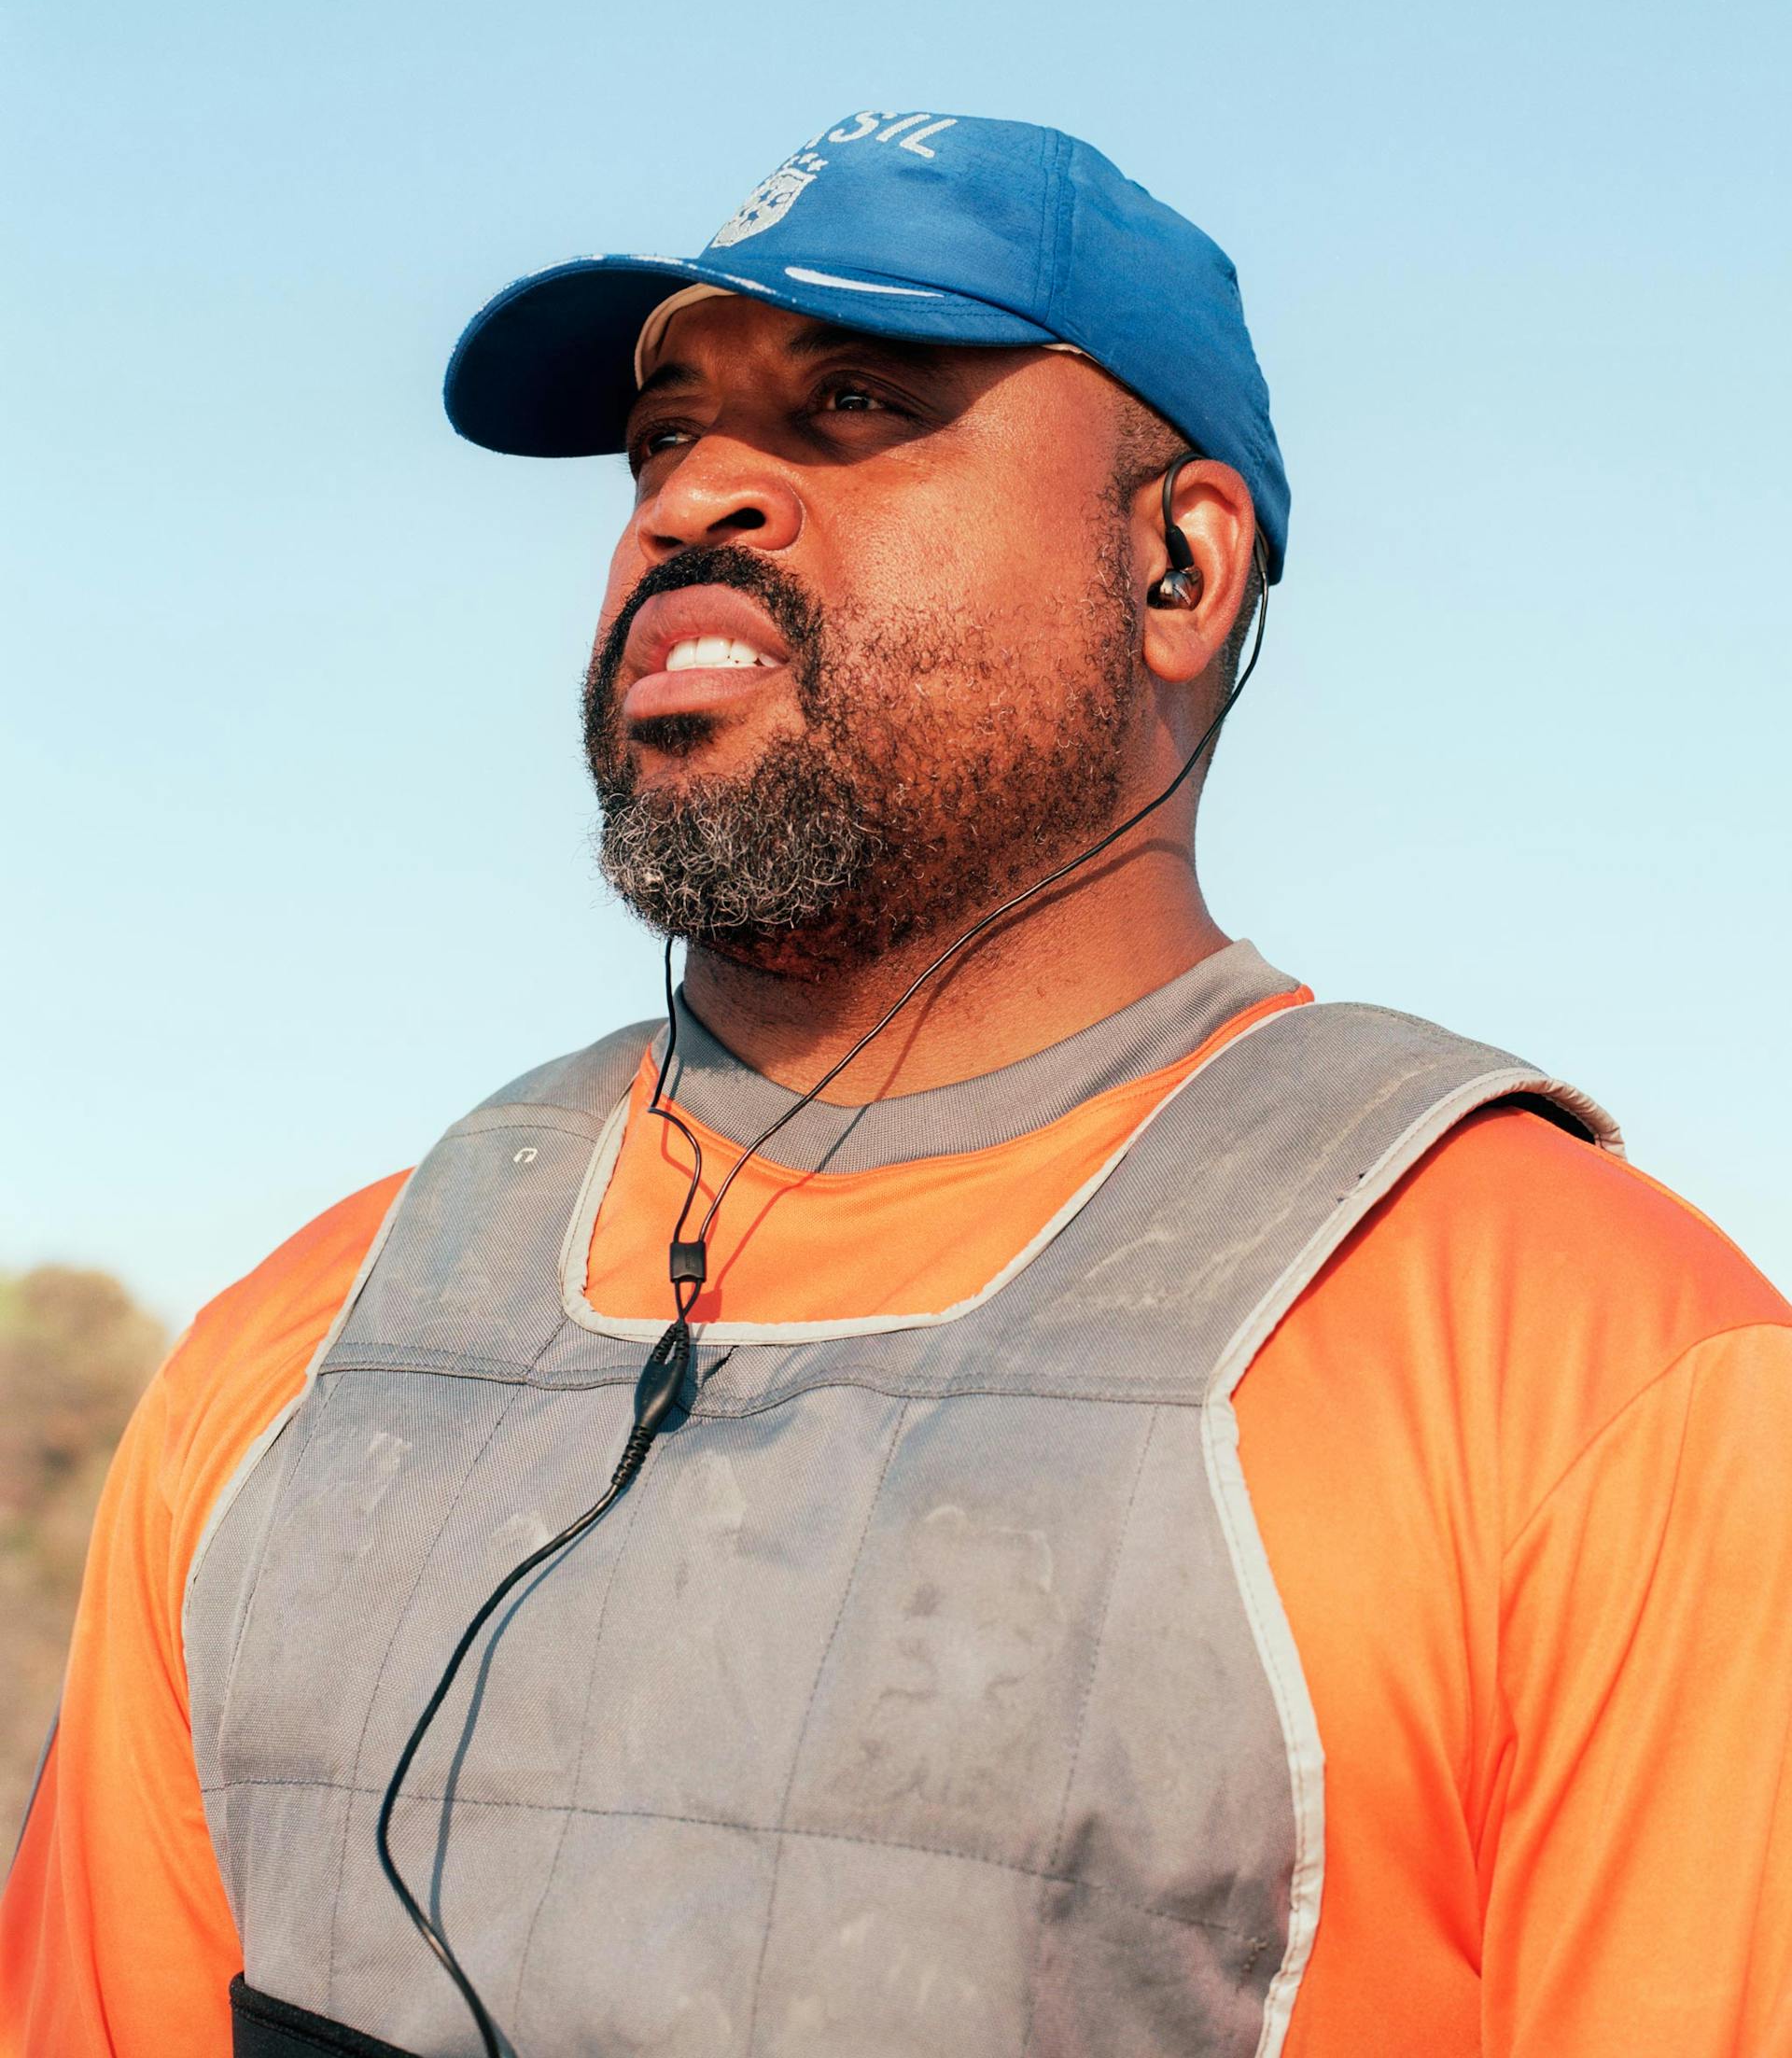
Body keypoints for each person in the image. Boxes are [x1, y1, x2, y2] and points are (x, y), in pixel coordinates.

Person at [4, 109, 1789, 2058]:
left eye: (853, 402)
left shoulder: (1596, 1375)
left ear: (1179, 563)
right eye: (663, 433)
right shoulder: (302, 1358)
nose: (697, 499)